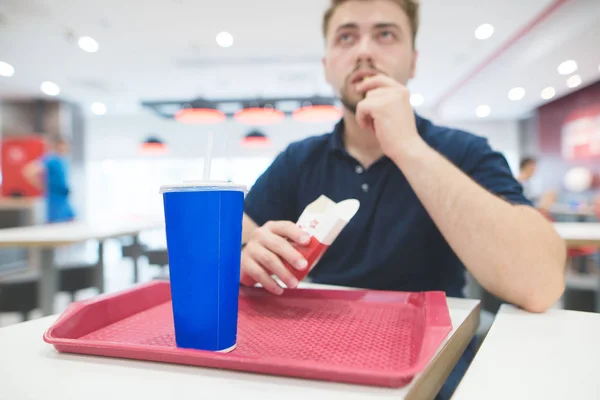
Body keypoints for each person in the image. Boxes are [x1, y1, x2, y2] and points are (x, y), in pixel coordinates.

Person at [240, 1, 566, 398]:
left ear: (412, 62)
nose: (364, 51)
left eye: (385, 34)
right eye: (346, 37)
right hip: (314, 358)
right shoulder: (298, 160)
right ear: (327, 64)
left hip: (434, 369)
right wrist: (245, 250)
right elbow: (237, 231)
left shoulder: (463, 152)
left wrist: (408, 147)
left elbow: (540, 283)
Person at [23, 135, 76, 223]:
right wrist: (41, 186)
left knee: (71, 219)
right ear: (57, 146)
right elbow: (29, 171)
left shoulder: (63, 160)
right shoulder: (50, 159)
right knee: (55, 224)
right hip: (54, 199)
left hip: (64, 198)